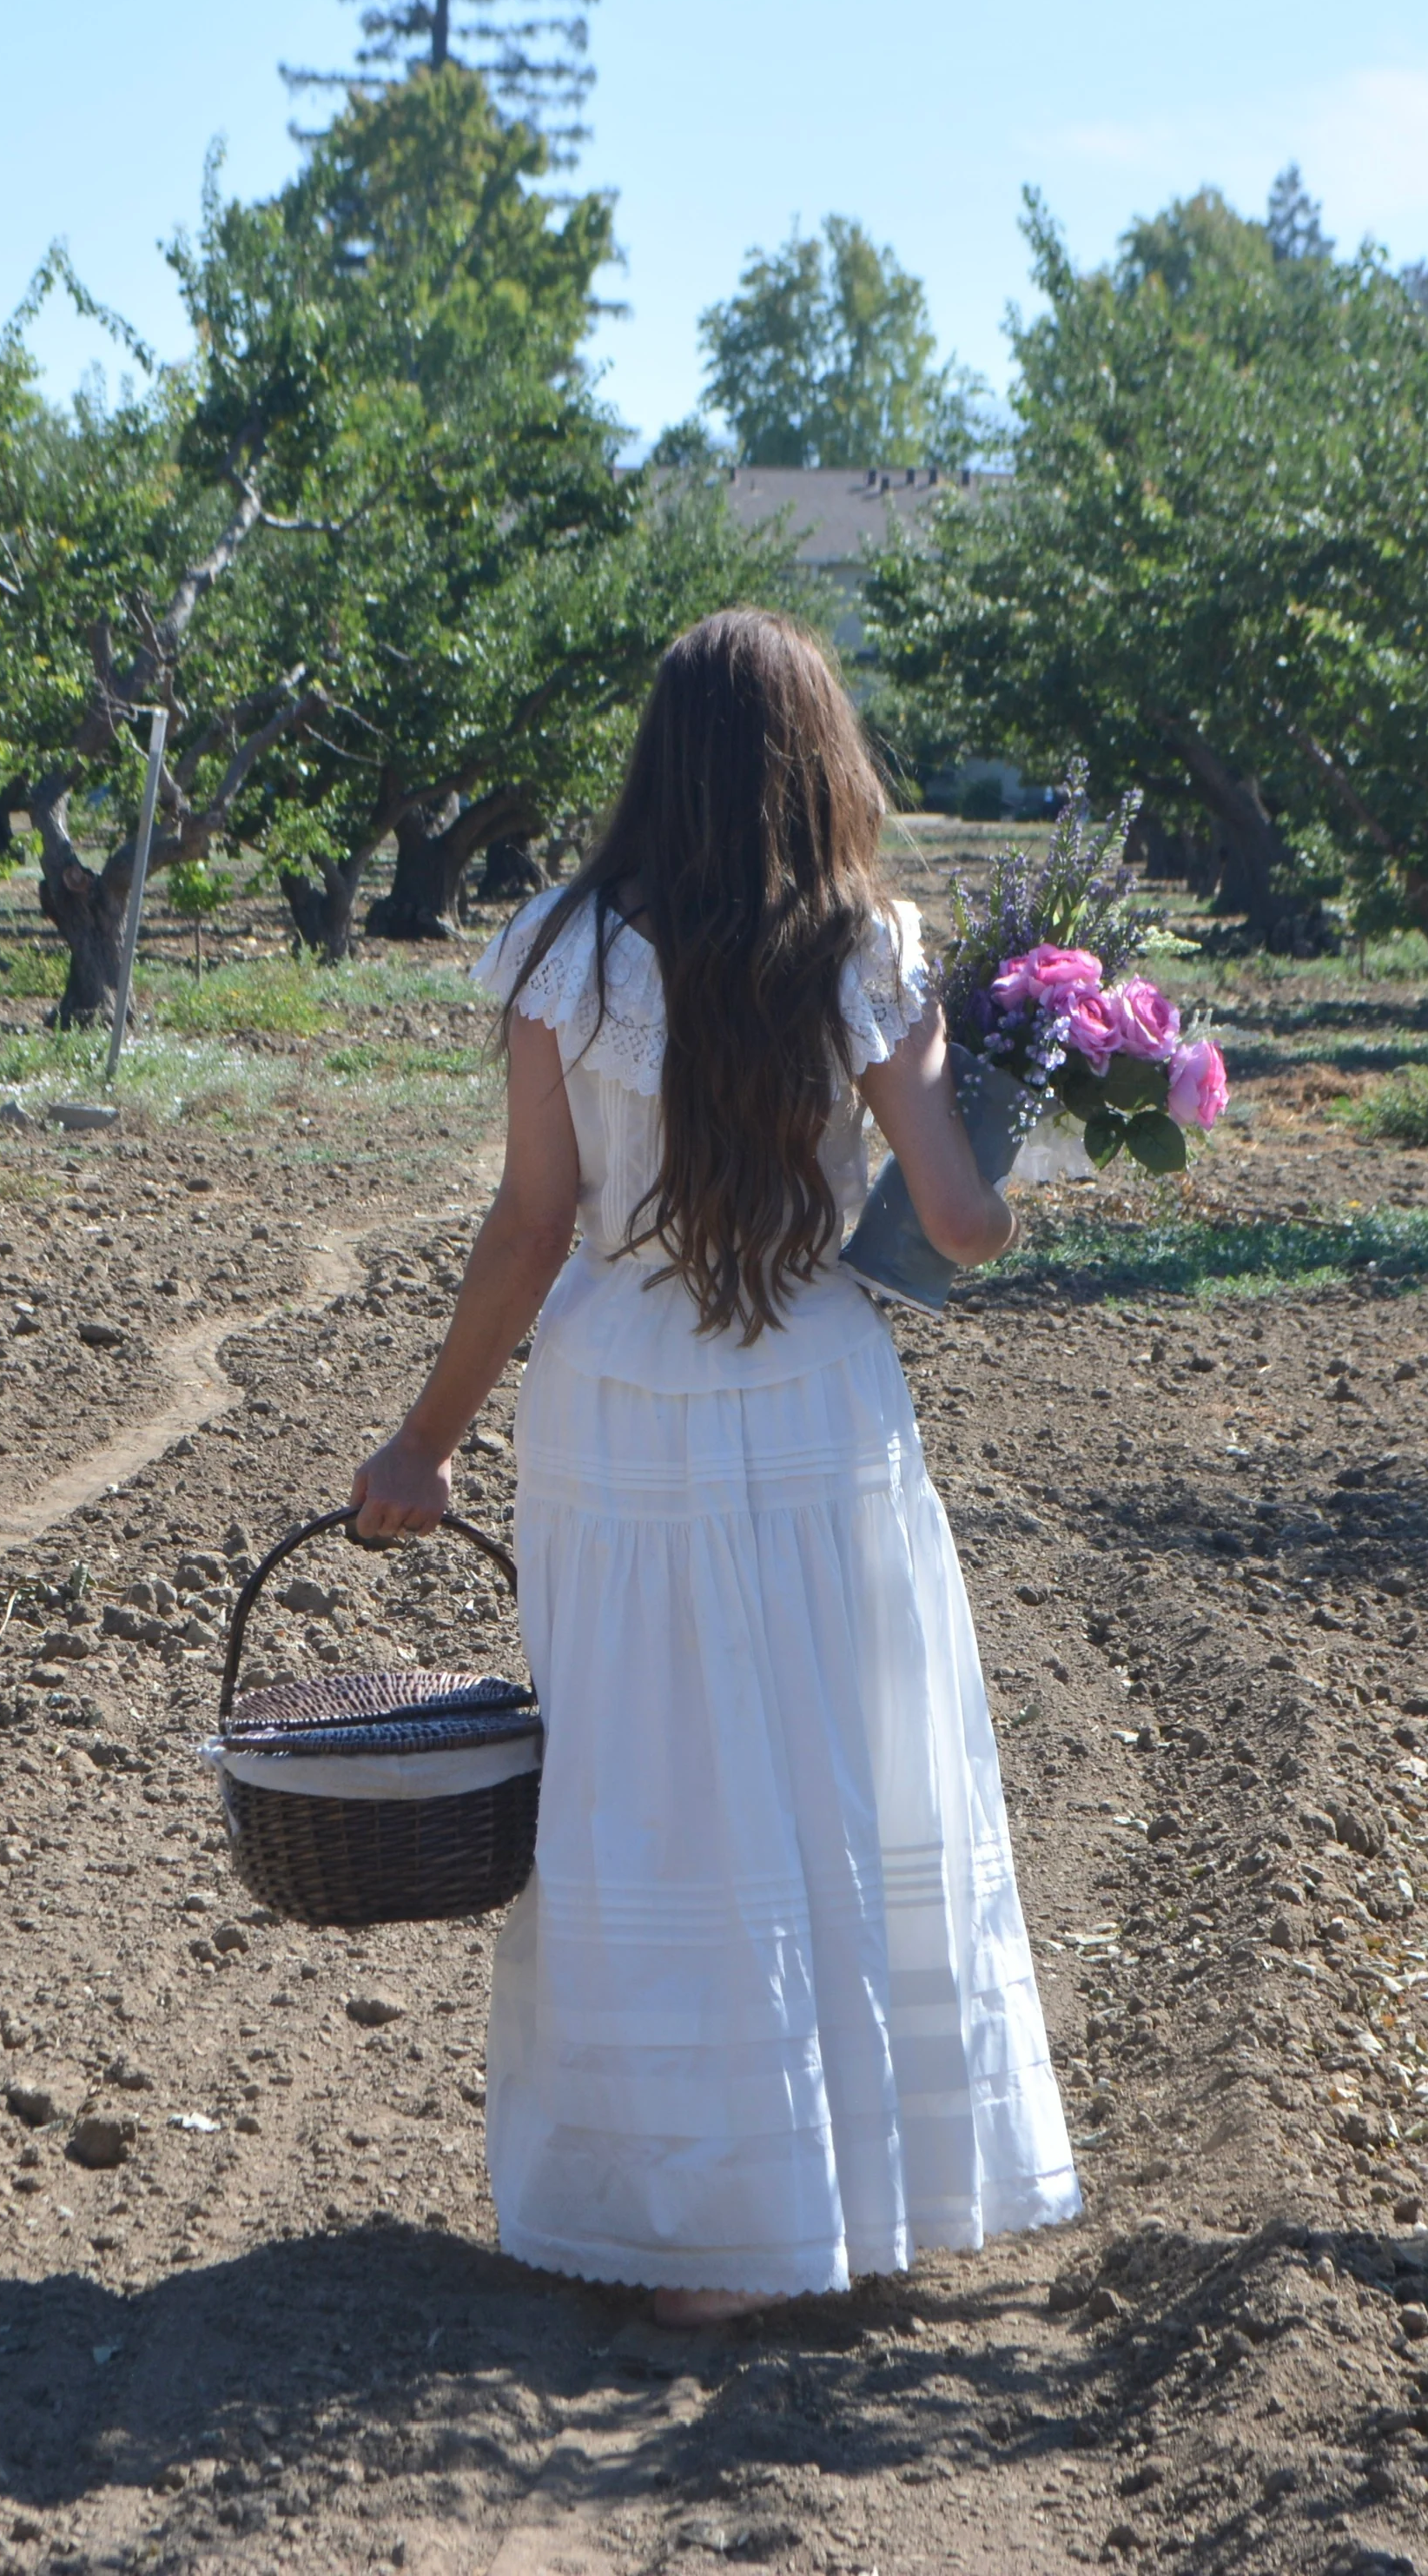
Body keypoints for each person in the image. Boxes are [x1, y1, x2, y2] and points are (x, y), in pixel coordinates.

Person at [351, 606, 1079, 2328]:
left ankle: (695, 2223)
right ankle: (870, 2197)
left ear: (654, 762)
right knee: (843, 1774)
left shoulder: (558, 951)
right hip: (820, 1398)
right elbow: (962, 1231)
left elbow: (533, 1228)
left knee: (655, 1789)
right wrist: (1043, 1109)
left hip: (621, 1401)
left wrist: (422, 1441)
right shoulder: (870, 954)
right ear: (819, 759)